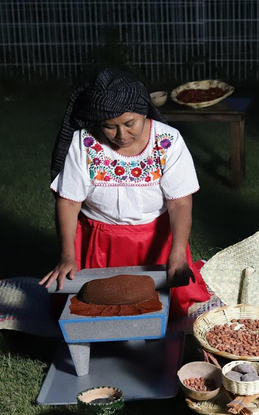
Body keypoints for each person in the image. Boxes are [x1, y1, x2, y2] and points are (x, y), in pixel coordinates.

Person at [39, 67, 210, 318]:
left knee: (170, 310)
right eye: (110, 127)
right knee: (92, 309)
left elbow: (180, 204)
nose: (121, 135)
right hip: (98, 241)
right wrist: (68, 255)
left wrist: (176, 254)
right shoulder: (84, 143)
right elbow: (69, 203)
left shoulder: (168, 141)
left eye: (130, 124)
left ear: (143, 110)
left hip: (156, 239)